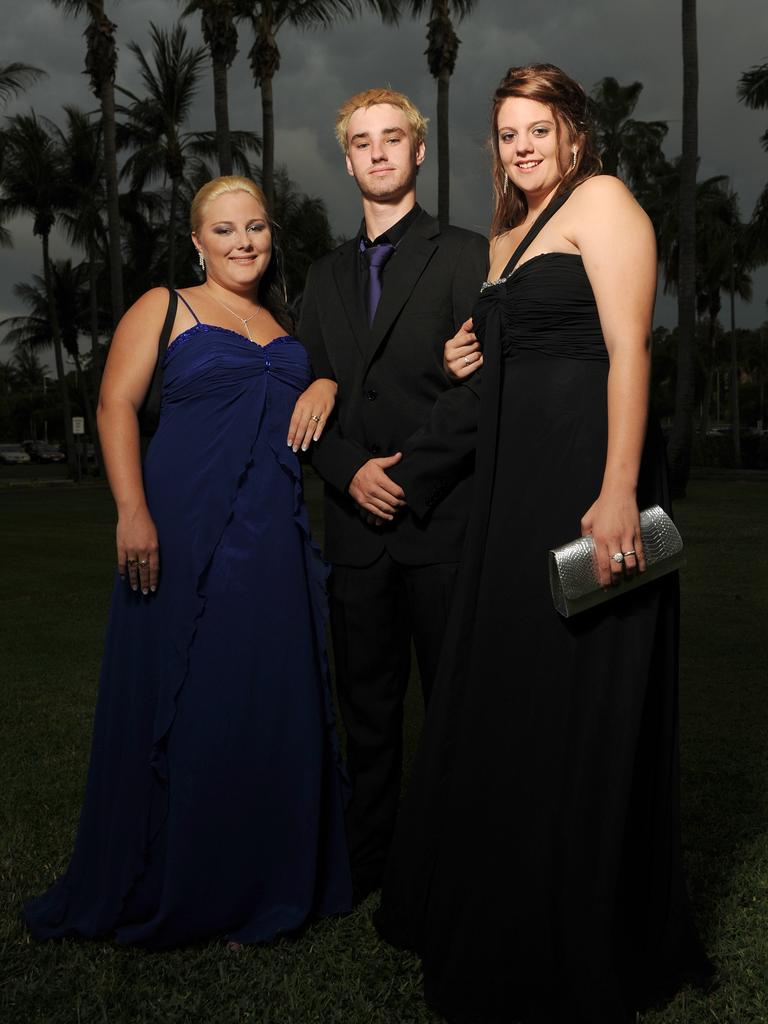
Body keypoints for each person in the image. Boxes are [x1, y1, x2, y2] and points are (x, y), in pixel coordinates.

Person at [375, 65, 711, 1023]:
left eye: (539, 127)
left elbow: (629, 348)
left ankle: (583, 923)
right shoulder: (506, 234)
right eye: (508, 132)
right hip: (510, 490)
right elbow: (505, 357)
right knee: (513, 695)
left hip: (584, 484)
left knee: (580, 697)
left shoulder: (603, 202)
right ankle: (506, 904)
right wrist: (461, 353)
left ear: (574, 131)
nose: (521, 145)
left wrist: (615, 493)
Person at [24, 176, 352, 947]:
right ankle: (183, 881)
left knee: (267, 704)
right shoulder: (164, 306)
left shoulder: (285, 323)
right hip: (179, 528)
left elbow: (313, 388)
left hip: (272, 537)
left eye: (258, 228)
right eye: (227, 230)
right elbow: (114, 405)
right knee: (193, 705)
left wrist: (328, 380)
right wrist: (131, 510)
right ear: (197, 242)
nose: (245, 242)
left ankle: (266, 883)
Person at [298, 88, 488, 904]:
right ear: (347, 161)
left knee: (456, 710)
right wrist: (347, 471)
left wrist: (403, 477)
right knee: (366, 713)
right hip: (354, 533)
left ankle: (456, 866)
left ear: (417, 151)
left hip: (440, 523)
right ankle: (369, 864)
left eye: (392, 139)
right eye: (362, 143)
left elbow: (480, 388)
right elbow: (306, 391)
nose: (378, 153)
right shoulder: (321, 275)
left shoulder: (466, 255)